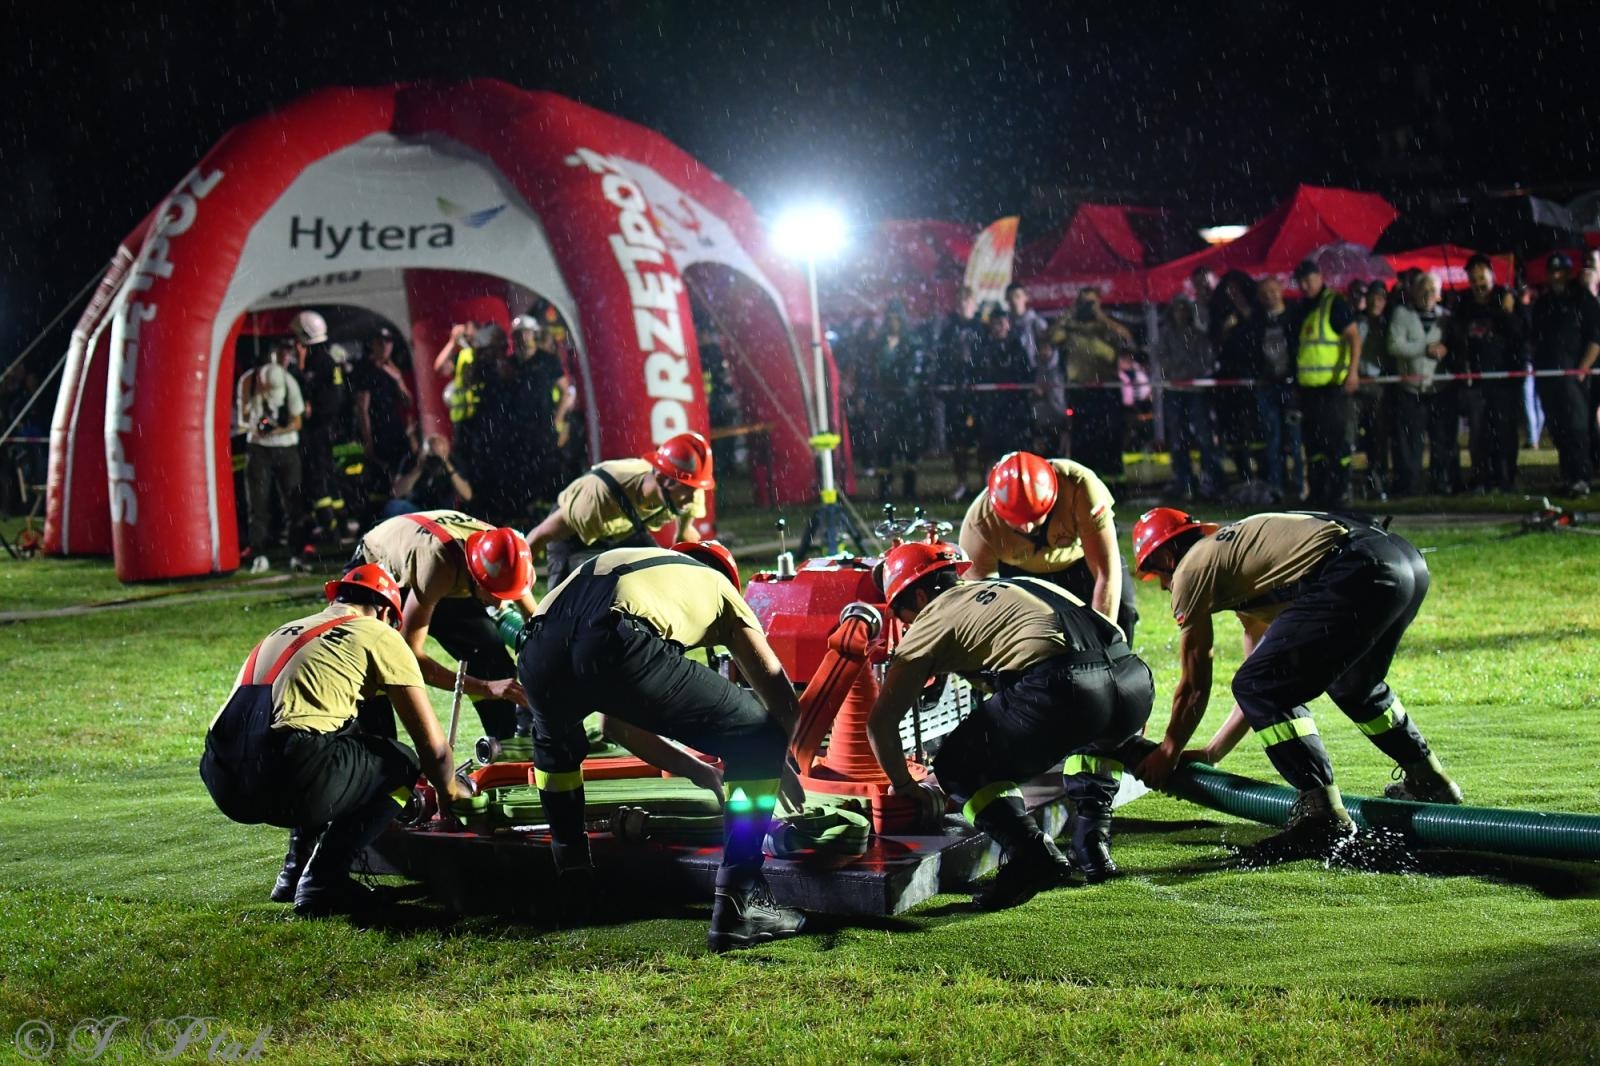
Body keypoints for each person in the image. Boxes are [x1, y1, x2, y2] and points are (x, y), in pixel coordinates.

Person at [516, 541, 806, 951]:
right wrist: (774, 760)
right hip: (616, 636)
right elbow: (782, 702)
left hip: (537, 645)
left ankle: (574, 881)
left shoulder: (639, 563)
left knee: (556, 750)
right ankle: (741, 899)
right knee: (758, 738)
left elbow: (618, 725)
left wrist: (703, 772)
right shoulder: (720, 588)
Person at [1130, 508, 1462, 854]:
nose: (1166, 586)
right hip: (1400, 561)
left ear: (1167, 556)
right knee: (1355, 685)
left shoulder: (1191, 568)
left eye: (1158, 576)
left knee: (1262, 683)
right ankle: (1429, 780)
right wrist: (1214, 752)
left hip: (1356, 566)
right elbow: (1260, 688)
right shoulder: (1241, 561)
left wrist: (1169, 750)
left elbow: (1196, 681)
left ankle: (1322, 816)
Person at [864, 542, 1153, 906]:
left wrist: (906, 785)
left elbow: (880, 724)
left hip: (1069, 688)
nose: (906, 625)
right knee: (1085, 733)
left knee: (959, 762)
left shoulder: (933, 615)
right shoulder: (1008, 589)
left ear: (920, 596)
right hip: (1132, 680)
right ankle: (1093, 839)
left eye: (904, 616)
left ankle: (1031, 855)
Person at [200, 564, 474, 916]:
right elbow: (435, 751)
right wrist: (450, 792)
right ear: (389, 612)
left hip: (223, 779)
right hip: (287, 775)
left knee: (326, 735)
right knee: (403, 763)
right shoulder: (378, 633)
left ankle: (294, 869)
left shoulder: (288, 630)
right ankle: (323, 879)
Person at [958, 451, 1140, 877]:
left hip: (1082, 571)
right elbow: (976, 612)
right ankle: (1021, 750)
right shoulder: (980, 525)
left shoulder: (1083, 487)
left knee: (1114, 659)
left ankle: (1093, 811)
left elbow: (1107, 576)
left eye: (1036, 519)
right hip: (1019, 586)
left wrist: (1099, 653)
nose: (1028, 529)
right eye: (1017, 523)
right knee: (1021, 674)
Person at [351, 509, 536, 740]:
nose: (500, 603)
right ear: (475, 575)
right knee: (376, 671)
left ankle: (504, 745)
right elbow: (410, 659)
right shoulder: (438, 566)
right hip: (376, 566)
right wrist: (486, 688)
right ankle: (381, 760)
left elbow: (537, 624)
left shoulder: (508, 554)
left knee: (491, 658)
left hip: (439, 562)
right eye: (494, 592)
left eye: (507, 593)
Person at [525, 431, 713, 590]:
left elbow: (686, 534)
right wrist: (514, 581)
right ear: (665, 481)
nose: (693, 497)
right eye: (688, 490)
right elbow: (539, 535)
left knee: (659, 576)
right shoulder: (596, 499)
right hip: (577, 533)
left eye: (696, 489)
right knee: (566, 604)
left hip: (626, 529)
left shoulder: (690, 492)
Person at [1290, 260, 1362, 507]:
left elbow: (1354, 338)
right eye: (1300, 281)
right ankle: (1318, 494)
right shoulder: (1303, 308)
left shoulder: (1334, 304)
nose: (1304, 285)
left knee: (1336, 445)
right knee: (1314, 447)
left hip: (1333, 388)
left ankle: (1338, 492)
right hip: (1310, 390)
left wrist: (1353, 373)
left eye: (1308, 279)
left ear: (1320, 277)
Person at [1450, 256, 1524, 493]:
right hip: (1476, 380)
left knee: (1504, 431)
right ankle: (1481, 478)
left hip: (1504, 379)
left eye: (1481, 275)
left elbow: (1521, 335)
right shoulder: (1464, 304)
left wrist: (1510, 313)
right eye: (1472, 276)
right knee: (1479, 433)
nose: (1477, 280)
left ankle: (1506, 478)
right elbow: (1457, 340)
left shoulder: (1505, 297)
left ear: (1490, 275)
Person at [1530, 252, 1600, 496]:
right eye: (1553, 271)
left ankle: (1581, 477)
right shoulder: (1544, 303)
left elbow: (1595, 339)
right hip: (1548, 376)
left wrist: (1582, 369)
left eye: (1561, 271)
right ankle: (1568, 476)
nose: (1556, 276)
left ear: (1570, 272)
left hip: (1573, 377)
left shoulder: (1584, 300)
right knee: (1558, 429)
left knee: (1577, 428)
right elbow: (1534, 337)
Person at [236, 347, 305, 573]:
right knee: (258, 502)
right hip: (258, 448)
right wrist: (256, 426)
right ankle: (259, 553)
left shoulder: (289, 382)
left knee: (293, 501)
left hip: (286, 447)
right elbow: (243, 419)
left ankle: (297, 553)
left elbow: (297, 420)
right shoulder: (248, 382)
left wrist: (277, 430)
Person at [1153, 295, 1225, 500]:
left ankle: (1209, 480)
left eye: (1185, 309)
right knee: (1177, 438)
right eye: (1178, 309)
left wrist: (1185, 373)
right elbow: (1162, 360)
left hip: (1195, 392)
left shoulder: (1199, 336)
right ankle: (1183, 480)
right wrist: (1181, 372)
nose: (1181, 313)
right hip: (1175, 392)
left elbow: (1205, 361)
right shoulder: (1166, 335)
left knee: (1204, 437)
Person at [1053, 289, 1129, 477]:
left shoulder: (1106, 326)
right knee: (1081, 438)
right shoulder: (1071, 327)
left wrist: (1100, 316)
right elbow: (1050, 338)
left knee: (1110, 436)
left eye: (1091, 302)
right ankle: (1084, 482)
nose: (1087, 307)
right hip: (1081, 391)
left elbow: (1126, 338)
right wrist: (1069, 313)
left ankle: (1114, 482)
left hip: (1106, 390)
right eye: (1084, 303)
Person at [1387, 273, 1449, 497]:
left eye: (1432, 290)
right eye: (1423, 289)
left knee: (1440, 441)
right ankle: (1409, 485)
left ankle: (1440, 484)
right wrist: (1424, 348)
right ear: (1414, 292)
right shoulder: (1402, 314)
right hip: (1409, 390)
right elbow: (1394, 345)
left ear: (1439, 295)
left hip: (1437, 389)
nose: (1427, 295)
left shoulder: (1446, 319)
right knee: (1409, 443)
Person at [290, 310, 347, 543]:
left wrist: (301, 365)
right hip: (330, 426)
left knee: (317, 476)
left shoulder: (317, 360)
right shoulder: (328, 357)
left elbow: (307, 393)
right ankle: (340, 522)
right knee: (329, 475)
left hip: (318, 428)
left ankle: (329, 528)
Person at [350, 325, 417, 489]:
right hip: (377, 429)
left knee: (404, 467)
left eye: (388, 342)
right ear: (373, 344)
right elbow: (362, 409)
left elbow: (408, 401)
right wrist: (368, 440)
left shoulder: (392, 368)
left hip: (394, 427)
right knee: (383, 474)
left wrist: (398, 379)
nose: (385, 346)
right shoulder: (366, 370)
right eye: (380, 342)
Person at [938, 286, 986, 501]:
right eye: (960, 301)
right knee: (958, 442)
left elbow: (987, 356)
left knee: (982, 440)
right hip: (956, 393)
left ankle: (985, 482)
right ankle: (962, 483)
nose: (963, 305)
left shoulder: (982, 328)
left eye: (967, 301)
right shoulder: (949, 329)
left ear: (974, 304)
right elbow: (942, 357)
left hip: (978, 393)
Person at [1353, 284, 1391, 498]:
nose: (1376, 302)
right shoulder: (1358, 322)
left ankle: (1379, 477)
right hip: (1360, 385)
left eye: (1380, 298)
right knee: (1363, 436)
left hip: (1381, 386)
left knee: (1379, 437)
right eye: (1372, 298)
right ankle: (1367, 480)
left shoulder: (1387, 323)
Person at [387, 433, 473, 516]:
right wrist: (419, 468)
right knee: (395, 506)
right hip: (416, 511)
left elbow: (467, 495)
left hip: (442, 514)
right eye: (432, 451)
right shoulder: (412, 460)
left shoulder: (454, 463)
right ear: (425, 451)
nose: (434, 458)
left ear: (447, 451)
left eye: (440, 452)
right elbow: (396, 493)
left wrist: (446, 463)